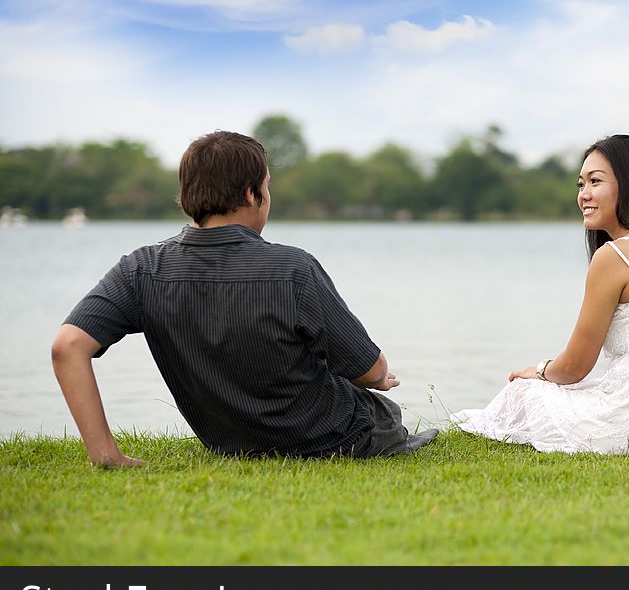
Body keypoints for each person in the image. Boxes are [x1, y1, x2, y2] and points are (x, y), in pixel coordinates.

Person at [51, 130, 437, 467]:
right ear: (252, 194)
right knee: (384, 413)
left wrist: (104, 452)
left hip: (228, 442)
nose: (268, 195)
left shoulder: (140, 269)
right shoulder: (293, 269)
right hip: (328, 438)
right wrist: (382, 375)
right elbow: (367, 370)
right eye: (267, 186)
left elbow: (68, 347)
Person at [451, 135, 629, 456]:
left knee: (524, 392)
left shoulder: (616, 255)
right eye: (580, 184)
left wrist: (540, 370)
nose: (584, 195)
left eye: (595, 182)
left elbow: (574, 367)